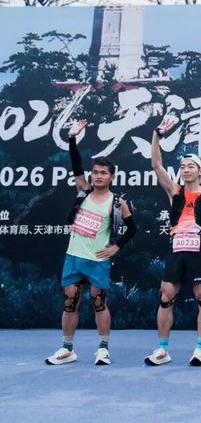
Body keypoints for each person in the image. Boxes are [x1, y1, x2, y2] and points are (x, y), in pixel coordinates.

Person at [45, 120, 136, 365]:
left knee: (98, 302)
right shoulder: (83, 190)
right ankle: (67, 349)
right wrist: (72, 138)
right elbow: (76, 164)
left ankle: (103, 349)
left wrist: (116, 247)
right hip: (74, 257)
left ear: (112, 176)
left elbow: (133, 229)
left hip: (97, 260)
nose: (98, 176)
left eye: (103, 173)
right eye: (95, 172)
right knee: (70, 302)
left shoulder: (117, 202)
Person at [144, 119, 201, 367]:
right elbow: (156, 164)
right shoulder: (175, 191)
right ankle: (162, 349)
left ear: (199, 171)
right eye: (182, 167)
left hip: (199, 253)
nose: (186, 170)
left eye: (190, 166)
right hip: (176, 251)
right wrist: (156, 135)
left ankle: (199, 350)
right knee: (166, 296)